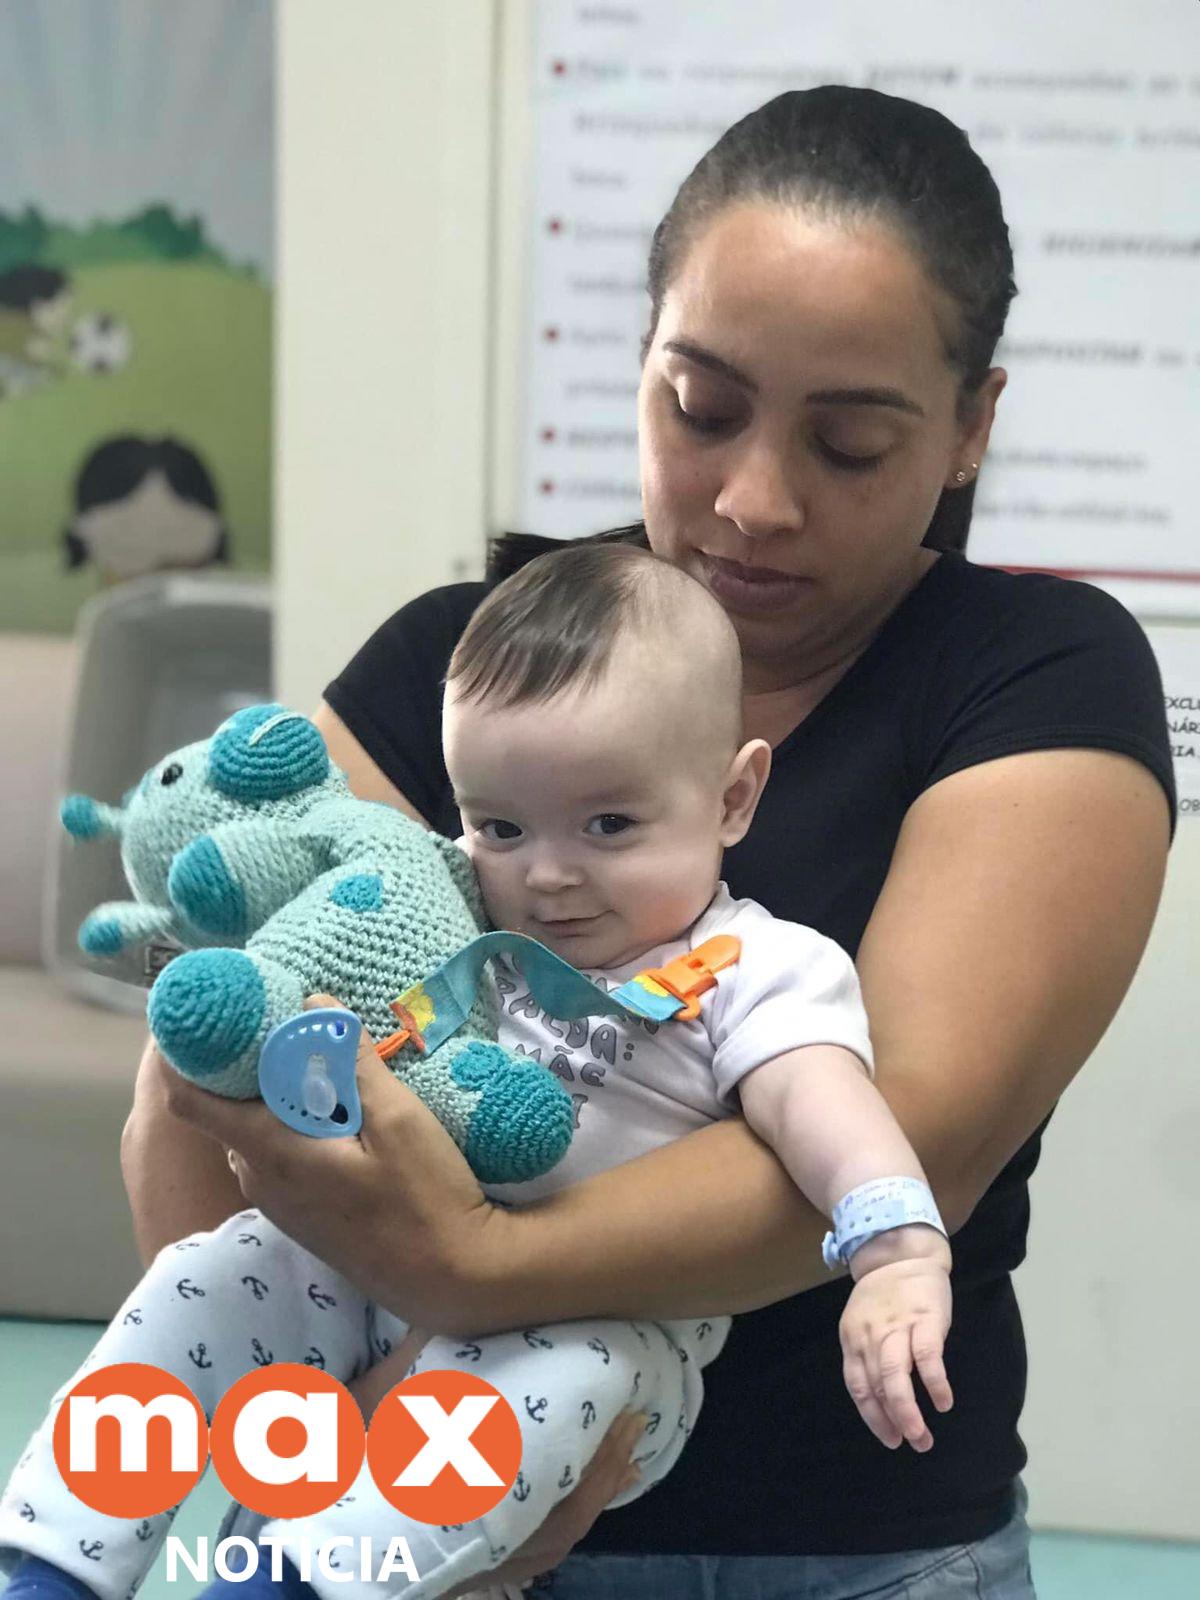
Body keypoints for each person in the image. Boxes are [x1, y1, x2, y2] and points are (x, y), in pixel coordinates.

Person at [116, 86, 1173, 1598]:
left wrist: (470, 1265)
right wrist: (326, 1470)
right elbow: (210, 1087)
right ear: (642, 364)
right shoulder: (462, 662)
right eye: (702, 409)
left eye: (850, 443)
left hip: (858, 1550)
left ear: (970, 429)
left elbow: (908, 1140)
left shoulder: (1036, 671)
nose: (755, 500)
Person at [0, 546, 957, 1600]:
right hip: (367, 1273)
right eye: (500, 825)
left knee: (523, 1398)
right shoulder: (454, 908)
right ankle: (52, 1563)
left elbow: (824, 1104)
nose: (547, 874)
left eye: (609, 825)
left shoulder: (755, 967)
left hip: (604, 1330)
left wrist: (897, 1251)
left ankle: (293, 1582)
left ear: (734, 796)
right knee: (208, 1276)